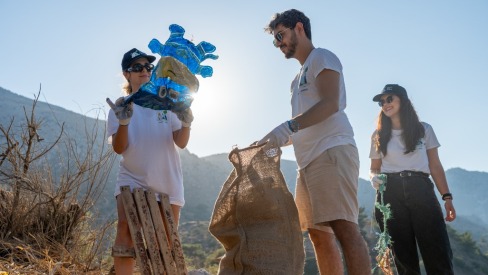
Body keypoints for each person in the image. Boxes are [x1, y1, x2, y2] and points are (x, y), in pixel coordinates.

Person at [256, 9, 371, 275]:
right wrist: (270, 141)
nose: (278, 43)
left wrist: (288, 126)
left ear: (299, 28)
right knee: (318, 235)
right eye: (275, 40)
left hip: (331, 151)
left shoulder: (322, 57)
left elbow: (330, 104)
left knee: (343, 226)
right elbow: (301, 125)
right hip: (305, 163)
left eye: (280, 35)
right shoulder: (296, 80)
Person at [106, 48, 193, 275]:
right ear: (127, 74)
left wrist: (186, 124)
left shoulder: (167, 101)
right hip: (132, 177)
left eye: (148, 67)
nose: (144, 71)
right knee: (126, 231)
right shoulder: (121, 105)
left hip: (167, 179)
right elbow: (119, 148)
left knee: (166, 242)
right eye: (137, 67)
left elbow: (180, 142)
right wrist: (123, 122)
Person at [369, 84, 455, 274]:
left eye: (389, 99)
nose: (385, 104)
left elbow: (435, 166)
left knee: (437, 252)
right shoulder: (378, 135)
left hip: (421, 189)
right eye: (382, 102)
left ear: (403, 100)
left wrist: (447, 197)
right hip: (390, 194)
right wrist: (374, 179)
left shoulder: (424, 129)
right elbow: (374, 169)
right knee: (404, 259)